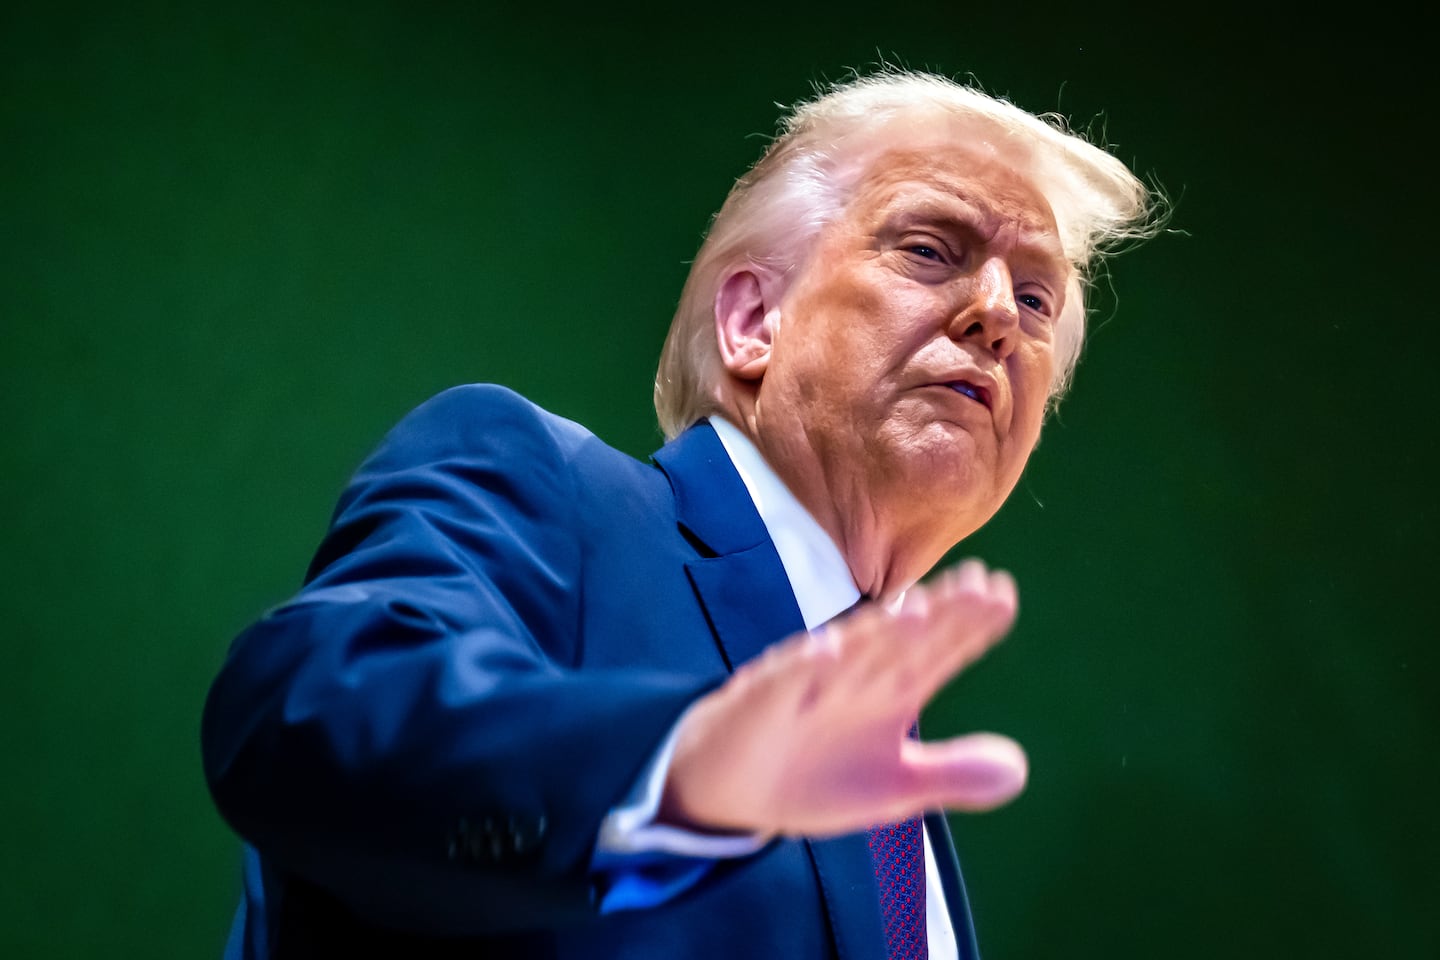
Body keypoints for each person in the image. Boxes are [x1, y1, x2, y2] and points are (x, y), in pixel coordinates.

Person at [202, 69, 1158, 959]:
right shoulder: (546, 486)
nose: (996, 314)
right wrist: (676, 776)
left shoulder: (894, 779)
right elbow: (305, 718)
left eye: (1036, 300)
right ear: (752, 323)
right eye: (928, 249)